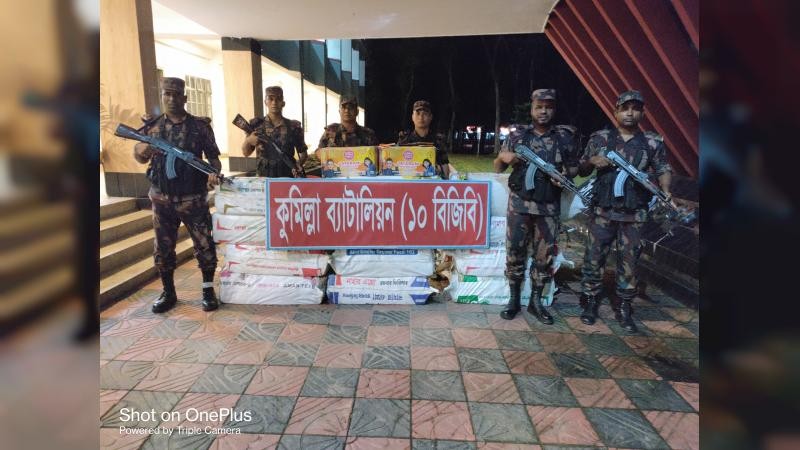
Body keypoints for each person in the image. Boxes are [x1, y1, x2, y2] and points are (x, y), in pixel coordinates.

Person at [577, 90, 674, 333]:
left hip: (634, 213)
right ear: (616, 111)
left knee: (630, 261)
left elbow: (663, 168)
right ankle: (590, 300)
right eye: (625, 108)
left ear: (642, 113)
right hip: (603, 211)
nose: (630, 113)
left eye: (635, 109)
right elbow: (581, 168)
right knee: (594, 257)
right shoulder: (600, 138)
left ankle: (625, 306)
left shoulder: (652, 142)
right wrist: (593, 161)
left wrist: (665, 189)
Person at [133, 77, 221, 313]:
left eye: (176, 94)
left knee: (204, 245)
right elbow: (139, 156)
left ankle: (208, 290)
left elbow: (214, 158)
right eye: (167, 94)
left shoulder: (200, 127)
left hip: (193, 197)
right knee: (163, 247)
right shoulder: (152, 126)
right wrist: (143, 149)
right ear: (162, 96)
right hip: (161, 198)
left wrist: (213, 173)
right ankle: (168, 292)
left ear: (185, 97)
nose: (171, 99)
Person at [493, 89, 579, 323]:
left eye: (548, 107)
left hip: (548, 208)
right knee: (514, 253)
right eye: (539, 106)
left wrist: (564, 174)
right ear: (531, 108)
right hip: (519, 206)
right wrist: (503, 157)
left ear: (554, 110)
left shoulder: (564, 138)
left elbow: (575, 168)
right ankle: (513, 299)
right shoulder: (517, 136)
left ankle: (536, 302)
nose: (543, 111)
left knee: (544, 257)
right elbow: (498, 167)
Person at [242, 86, 307, 177]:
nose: (274, 102)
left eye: (278, 99)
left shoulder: (294, 126)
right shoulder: (256, 124)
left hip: (287, 176)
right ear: (265, 102)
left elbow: (303, 154)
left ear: (283, 103)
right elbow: (246, 153)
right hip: (264, 177)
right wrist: (248, 141)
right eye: (270, 99)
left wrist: (297, 165)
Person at [397, 100, 450, 179]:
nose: (421, 117)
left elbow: (445, 167)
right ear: (412, 117)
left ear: (431, 117)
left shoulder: (438, 140)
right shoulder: (404, 140)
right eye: (418, 113)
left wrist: (440, 173)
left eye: (425, 114)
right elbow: (397, 164)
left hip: (432, 182)